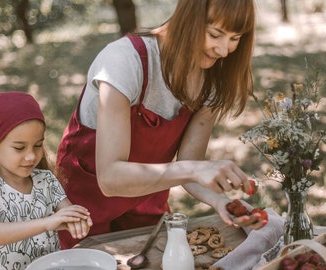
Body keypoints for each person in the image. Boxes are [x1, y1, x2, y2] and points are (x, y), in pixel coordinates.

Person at [56, 0, 265, 249]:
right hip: (84, 205)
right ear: (186, 18)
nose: (223, 50)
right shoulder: (123, 61)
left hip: (146, 196)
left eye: (235, 38)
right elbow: (110, 178)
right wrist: (194, 169)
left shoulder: (212, 78)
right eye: (214, 34)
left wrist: (220, 201)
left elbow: (190, 167)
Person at [0, 92, 93, 269]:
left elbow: (67, 211)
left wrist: (76, 220)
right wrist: (46, 223)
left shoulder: (45, 179)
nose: (31, 156)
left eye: (38, 145)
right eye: (19, 148)